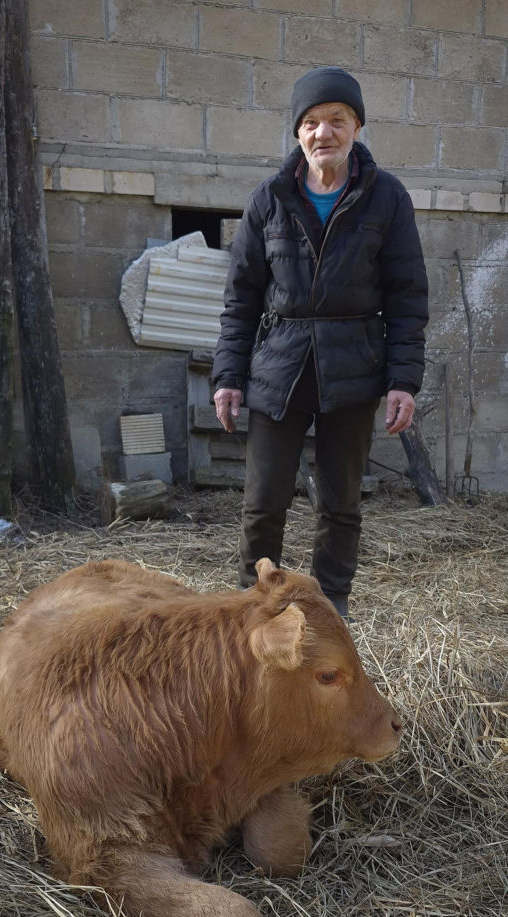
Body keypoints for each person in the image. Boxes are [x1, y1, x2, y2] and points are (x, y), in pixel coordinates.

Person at [211, 66, 428, 619]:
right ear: (297, 132)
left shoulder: (386, 198)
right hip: (278, 366)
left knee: (340, 502)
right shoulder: (269, 199)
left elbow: (407, 298)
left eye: (336, 119)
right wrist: (228, 376)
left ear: (357, 127)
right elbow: (241, 299)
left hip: (354, 366)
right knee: (264, 500)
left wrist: (403, 381)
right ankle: (256, 605)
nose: (323, 132)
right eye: (310, 122)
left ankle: (332, 607)